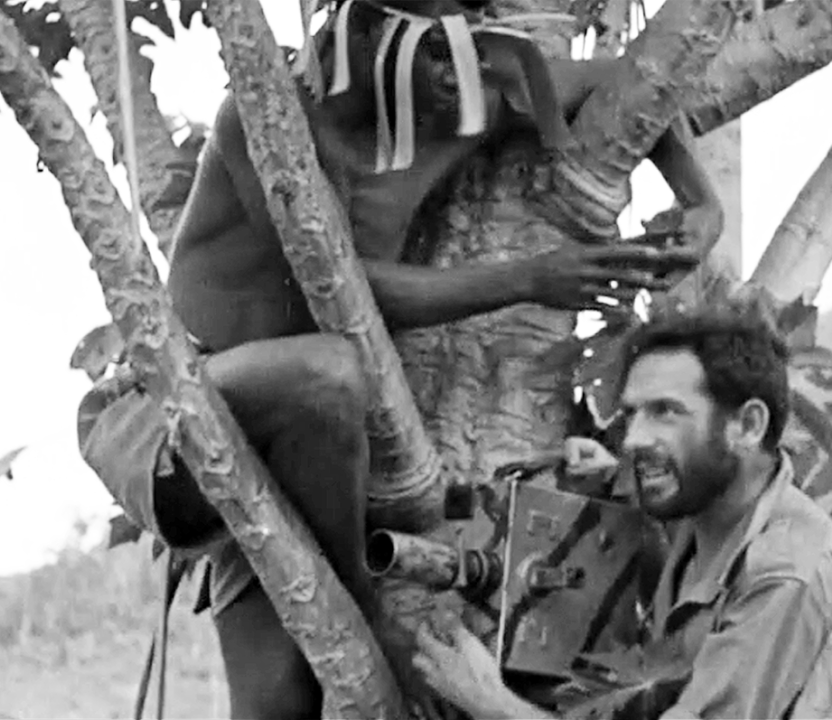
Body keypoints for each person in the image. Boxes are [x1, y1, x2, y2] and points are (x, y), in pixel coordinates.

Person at [75, 5, 719, 718]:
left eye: (466, 50)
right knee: (331, 371)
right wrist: (531, 277)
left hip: (306, 459)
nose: (457, 72)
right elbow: (334, 280)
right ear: (363, 37)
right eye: (435, 52)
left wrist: (702, 201)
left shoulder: (461, 101)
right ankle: (362, 598)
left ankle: (356, 597)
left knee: (280, 705)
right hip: (191, 409)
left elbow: (625, 80)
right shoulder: (268, 119)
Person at [411, 311, 832, 719]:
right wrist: (612, 477)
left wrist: (493, 704)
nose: (632, 440)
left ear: (747, 426)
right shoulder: (710, 502)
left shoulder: (789, 575)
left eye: (666, 412)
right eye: (632, 414)